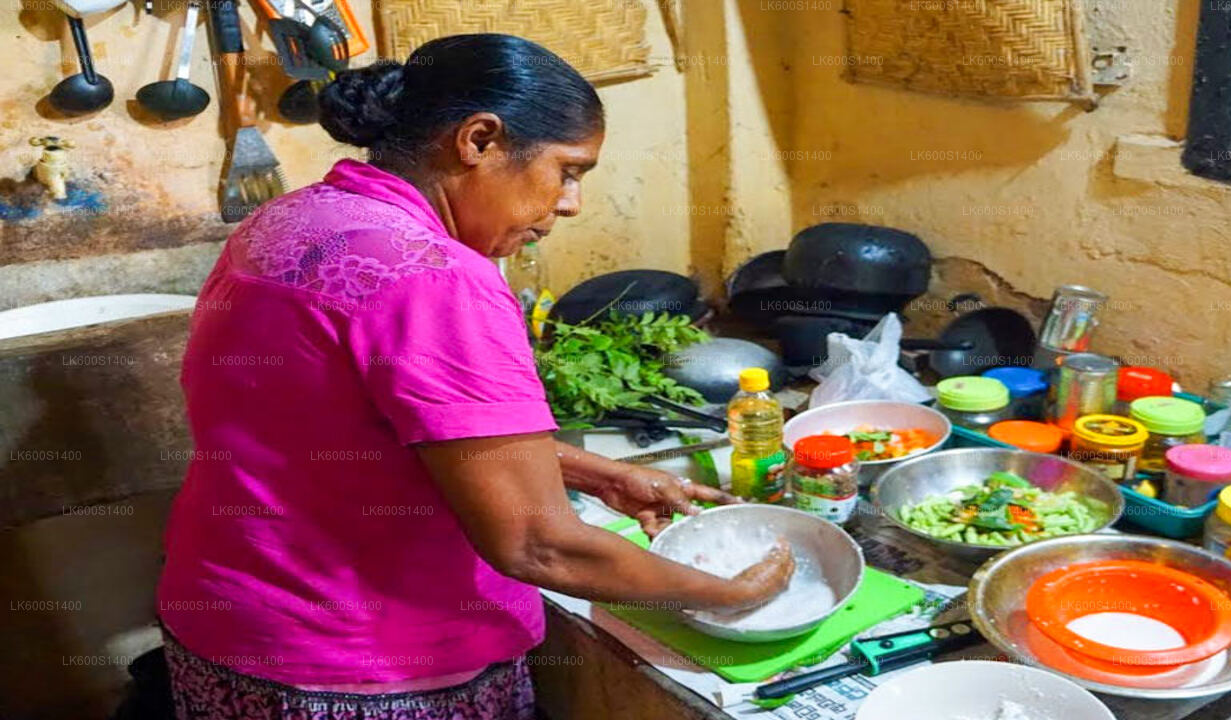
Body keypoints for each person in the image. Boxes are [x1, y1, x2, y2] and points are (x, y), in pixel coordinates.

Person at [157, 33, 793, 720]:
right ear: (479, 141)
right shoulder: (437, 278)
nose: (571, 202)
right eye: (568, 171)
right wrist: (725, 594)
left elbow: (357, 427)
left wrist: (592, 473)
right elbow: (536, 544)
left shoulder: (291, 220)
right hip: (362, 665)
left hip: (226, 630)